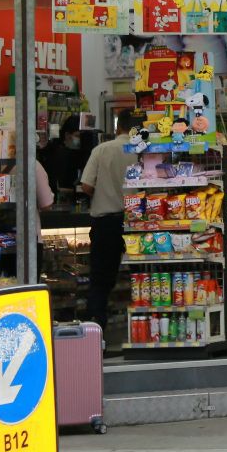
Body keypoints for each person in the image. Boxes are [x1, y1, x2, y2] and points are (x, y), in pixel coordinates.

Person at [79, 112, 143, 335]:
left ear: (118, 128)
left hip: (106, 223)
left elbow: (86, 186)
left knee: (101, 280)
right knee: (142, 274)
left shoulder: (101, 150)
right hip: (137, 222)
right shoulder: (142, 151)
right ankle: (143, 325)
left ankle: (96, 332)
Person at [38, 119, 91, 201]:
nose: (81, 140)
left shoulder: (81, 154)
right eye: (78, 136)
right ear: (67, 135)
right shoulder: (57, 153)